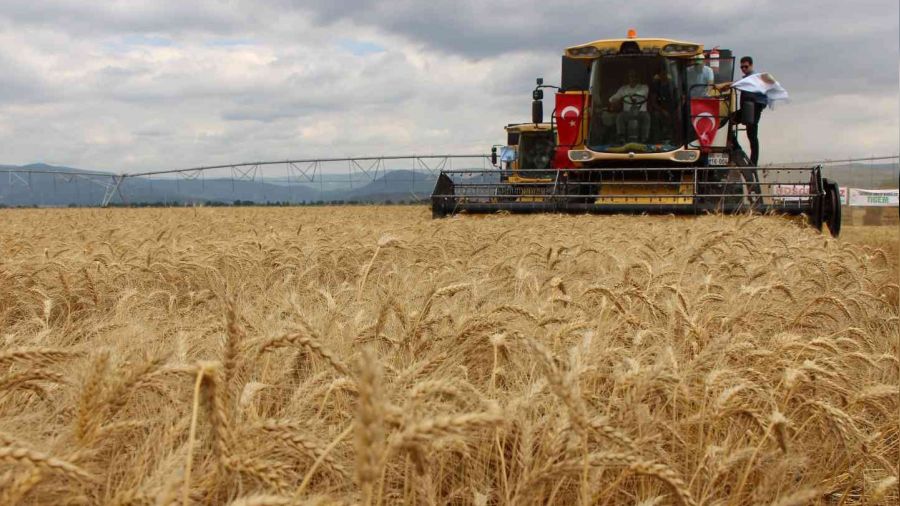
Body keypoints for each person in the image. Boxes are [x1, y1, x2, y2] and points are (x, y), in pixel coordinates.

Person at [715, 56, 768, 165]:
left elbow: (741, 83)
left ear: (751, 66)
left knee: (752, 135)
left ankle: (753, 163)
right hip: (745, 109)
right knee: (727, 122)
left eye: (746, 67)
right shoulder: (748, 79)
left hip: (753, 109)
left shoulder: (753, 77)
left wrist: (724, 85)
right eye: (742, 67)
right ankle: (737, 149)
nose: (743, 69)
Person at [609, 69, 650, 142]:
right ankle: (621, 137)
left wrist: (633, 95)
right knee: (620, 116)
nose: (633, 78)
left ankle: (645, 138)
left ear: (638, 78)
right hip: (627, 113)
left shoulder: (644, 87)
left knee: (646, 117)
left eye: (635, 76)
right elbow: (613, 98)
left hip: (641, 112)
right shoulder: (623, 89)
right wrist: (614, 100)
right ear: (628, 78)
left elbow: (643, 93)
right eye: (631, 76)